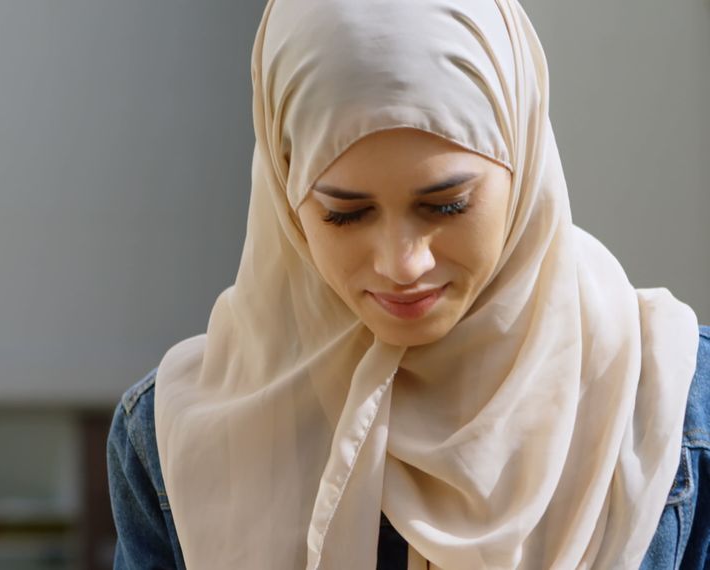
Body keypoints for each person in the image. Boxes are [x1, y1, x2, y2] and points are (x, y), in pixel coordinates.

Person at [106, 0, 709, 567]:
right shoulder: (172, 443)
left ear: (522, 164)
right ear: (286, 200)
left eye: (446, 205)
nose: (403, 264)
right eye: (345, 214)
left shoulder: (673, 404)